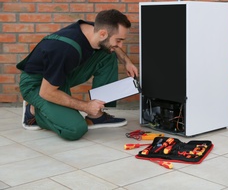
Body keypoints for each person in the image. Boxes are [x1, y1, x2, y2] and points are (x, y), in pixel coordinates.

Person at [16, 9, 138, 141]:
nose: (121, 45)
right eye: (119, 40)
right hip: (37, 85)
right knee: (75, 129)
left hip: (59, 76)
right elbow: (46, 92)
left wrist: (127, 62)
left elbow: (111, 45)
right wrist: (85, 106)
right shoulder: (66, 50)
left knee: (107, 53)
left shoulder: (94, 29)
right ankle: (33, 111)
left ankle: (97, 115)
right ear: (103, 33)